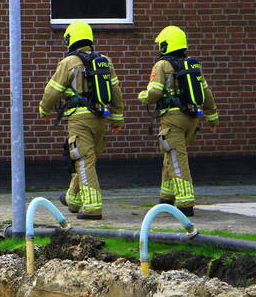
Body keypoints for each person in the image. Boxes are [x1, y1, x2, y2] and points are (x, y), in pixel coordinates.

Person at [38, 21, 125, 220]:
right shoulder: (105, 61)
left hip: (79, 119)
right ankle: (74, 200)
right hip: (101, 118)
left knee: (83, 160)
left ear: (70, 40)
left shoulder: (69, 63)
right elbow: (116, 92)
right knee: (88, 158)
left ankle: (93, 207)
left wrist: (44, 109)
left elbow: (53, 91)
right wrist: (117, 119)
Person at [137, 26, 219, 217]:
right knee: (170, 155)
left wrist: (143, 97)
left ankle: (185, 202)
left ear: (166, 44)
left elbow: (155, 92)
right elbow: (206, 92)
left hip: (172, 119)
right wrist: (212, 115)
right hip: (191, 118)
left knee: (176, 158)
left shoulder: (162, 65)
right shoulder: (192, 65)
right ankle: (166, 197)